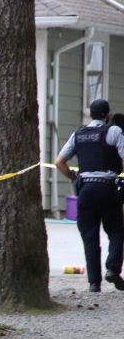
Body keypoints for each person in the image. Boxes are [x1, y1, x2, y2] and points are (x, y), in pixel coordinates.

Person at [55, 99, 124, 292]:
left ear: (91, 115)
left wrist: (73, 177)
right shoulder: (114, 131)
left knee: (89, 236)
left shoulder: (78, 134)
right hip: (108, 189)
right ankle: (112, 269)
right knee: (117, 231)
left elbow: (59, 161)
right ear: (107, 115)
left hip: (85, 190)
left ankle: (94, 283)